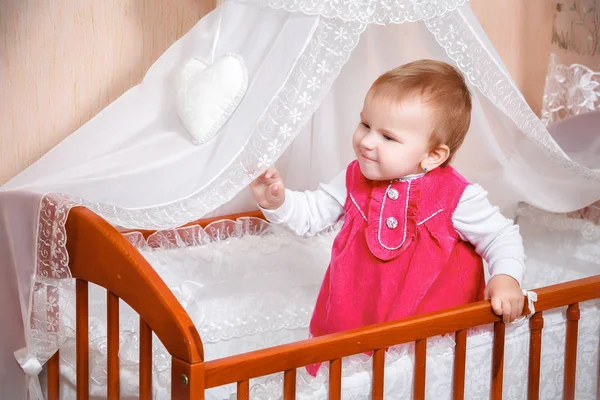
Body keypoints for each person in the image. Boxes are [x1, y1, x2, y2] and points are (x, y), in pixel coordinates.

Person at [250, 60, 525, 369]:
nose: (366, 142)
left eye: (388, 137)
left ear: (433, 155)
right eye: (365, 125)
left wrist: (506, 278)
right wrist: (278, 202)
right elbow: (311, 215)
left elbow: (501, 235)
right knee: (346, 378)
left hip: (427, 334)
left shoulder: (457, 196)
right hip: (352, 319)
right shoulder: (354, 178)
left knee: (411, 380)